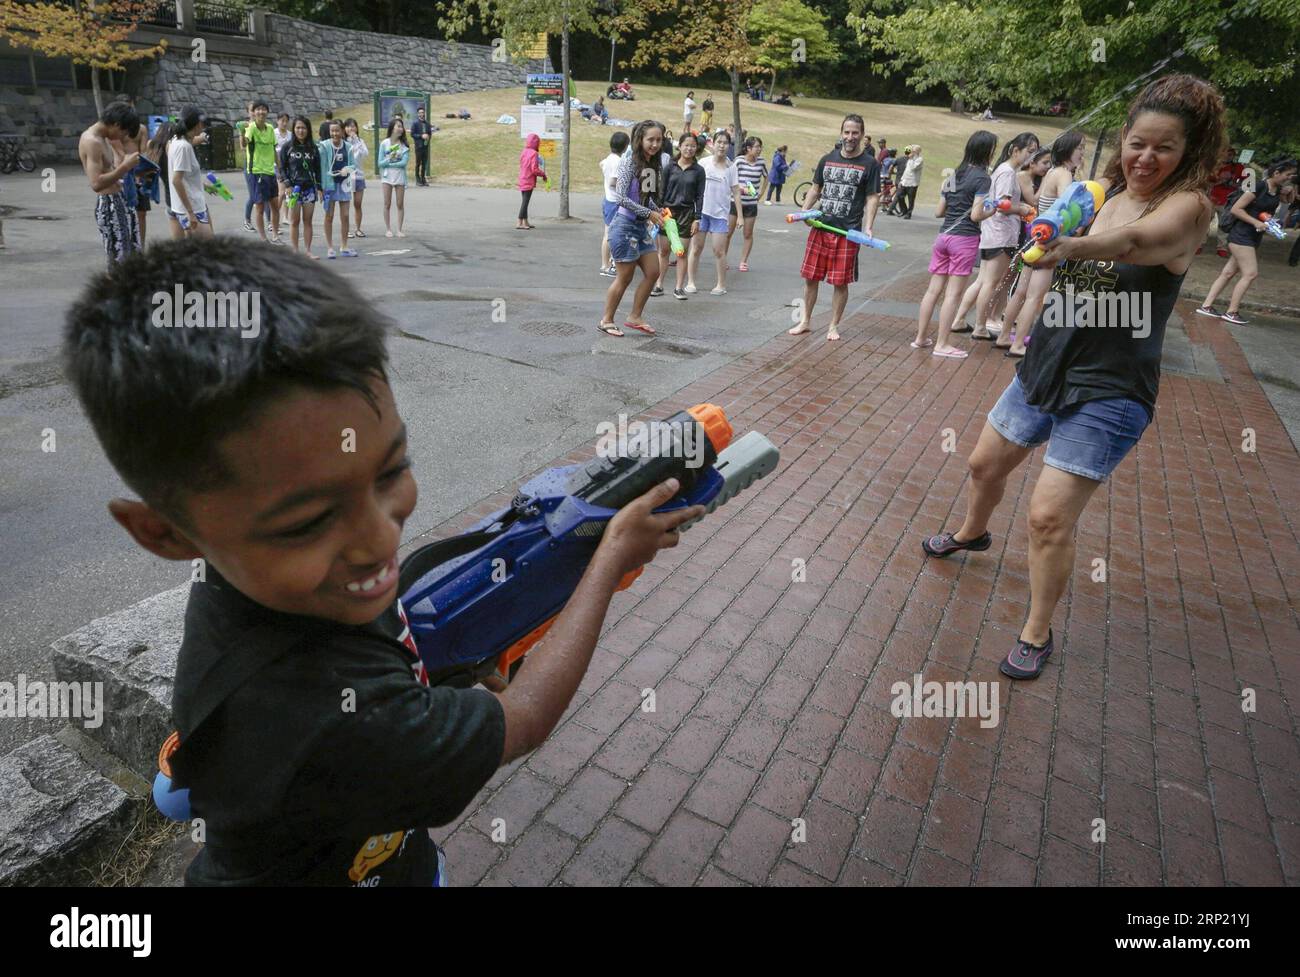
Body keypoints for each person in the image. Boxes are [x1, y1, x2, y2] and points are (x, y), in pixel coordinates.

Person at [64, 236, 701, 886]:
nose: (377, 540)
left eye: (391, 468)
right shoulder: (323, 722)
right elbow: (526, 719)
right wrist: (610, 558)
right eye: (310, 520)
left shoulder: (280, 584)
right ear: (167, 534)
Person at [922, 74, 1225, 679]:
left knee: (1047, 516)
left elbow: (1139, 242)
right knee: (983, 465)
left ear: (1188, 152)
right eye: (1139, 142)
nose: (1146, 157)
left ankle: (1037, 631)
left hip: (1111, 389)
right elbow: (1064, 224)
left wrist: (1066, 247)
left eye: (1164, 147)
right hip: (1046, 363)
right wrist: (1042, 225)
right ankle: (973, 533)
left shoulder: (1189, 208)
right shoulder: (1103, 189)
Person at [788, 114, 881, 342]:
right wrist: (804, 211)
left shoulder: (870, 164)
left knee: (840, 282)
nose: (850, 137)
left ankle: (833, 325)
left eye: (855, 133)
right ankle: (805, 321)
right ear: (841, 133)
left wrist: (868, 227)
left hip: (847, 232)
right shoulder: (827, 159)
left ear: (862, 134)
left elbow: (872, 198)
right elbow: (815, 188)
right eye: (847, 132)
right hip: (820, 227)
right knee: (811, 278)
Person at [996, 135, 1083, 356]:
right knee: (1034, 297)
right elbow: (1067, 209)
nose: (1083, 153)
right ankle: (1017, 345)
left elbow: (1036, 200)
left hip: (1033, 240)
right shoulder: (1064, 174)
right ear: (1069, 149)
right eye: (1080, 148)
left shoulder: (1052, 172)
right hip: (1048, 244)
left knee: (1021, 292)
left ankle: (1005, 336)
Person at [950, 131, 1039, 345]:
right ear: (1015, 150)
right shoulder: (1008, 173)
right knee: (990, 282)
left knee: (982, 281)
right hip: (1001, 234)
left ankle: (959, 319)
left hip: (992, 233)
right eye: (1029, 151)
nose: (1031, 157)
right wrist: (1023, 208)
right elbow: (1004, 206)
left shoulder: (1003, 169)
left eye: (1034, 153)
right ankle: (980, 326)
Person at [912, 131, 995, 355]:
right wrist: (993, 210)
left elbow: (939, 211)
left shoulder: (953, 175)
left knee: (933, 291)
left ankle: (920, 338)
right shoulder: (983, 178)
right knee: (953, 295)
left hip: (943, 237)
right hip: (964, 239)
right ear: (988, 151)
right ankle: (941, 344)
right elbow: (976, 215)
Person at [1197, 157, 1298, 324]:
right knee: (1250, 274)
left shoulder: (1277, 189)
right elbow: (1237, 209)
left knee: (1228, 273)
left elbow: (1289, 201)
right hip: (1241, 235)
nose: (1289, 178)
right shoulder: (1258, 186)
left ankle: (1206, 306)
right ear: (1276, 172)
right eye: (1287, 175)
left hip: (1252, 236)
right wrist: (1256, 222)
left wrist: (1290, 189)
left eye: (1292, 176)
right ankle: (1232, 311)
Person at [599, 120, 668, 336]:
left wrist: (659, 210)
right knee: (625, 277)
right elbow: (620, 197)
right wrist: (649, 213)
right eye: (651, 140)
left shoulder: (654, 165)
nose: (655, 144)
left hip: (640, 228)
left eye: (659, 140)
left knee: (653, 272)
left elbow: (646, 199)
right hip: (624, 226)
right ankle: (606, 320)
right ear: (640, 140)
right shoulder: (629, 162)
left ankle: (635, 316)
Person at [79, 101, 142, 268]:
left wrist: (132, 173)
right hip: (109, 204)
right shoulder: (92, 141)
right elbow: (96, 183)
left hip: (120, 199)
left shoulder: (104, 138)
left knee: (133, 255)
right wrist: (125, 166)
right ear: (116, 124)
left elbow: (111, 173)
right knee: (119, 260)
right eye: (124, 132)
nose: (123, 137)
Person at [699, 131, 743, 295]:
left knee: (719, 250)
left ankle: (721, 285)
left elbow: (736, 192)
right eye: (719, 142)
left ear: (728, 146)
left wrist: (739, 216)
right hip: (702, 212)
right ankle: (689, 282)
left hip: (720, 214)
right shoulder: (703, 163)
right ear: (713, 143)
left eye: (725, 143)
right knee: (696, 248)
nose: (722, 145)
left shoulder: (731, 167)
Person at [663, 132, 706, 299]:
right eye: (686, 145)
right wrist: (658, 211)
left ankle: (679, 287)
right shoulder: (669, 167)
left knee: (681, 252)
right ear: (679, 146)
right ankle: (659, 284)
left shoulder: (699, 171)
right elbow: (662, 190)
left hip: (687, 214)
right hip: (667, 213)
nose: (689, 149)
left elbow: (700, 196)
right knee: (664, 251)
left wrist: (697, 217)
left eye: (693, 146)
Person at [166, 107, 215, 240]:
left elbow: (185, 177)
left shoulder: (175, 140)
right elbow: (176, 180)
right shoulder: (183, 147)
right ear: (198, 124)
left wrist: (203, 185)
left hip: (183, 206)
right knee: (209, 250)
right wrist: (190, 212)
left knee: (193, 252)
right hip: (192, 208)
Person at [279, 115, 322, 258]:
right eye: (298, 127)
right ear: (294, 129)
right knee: (294, 221)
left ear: (308, 130)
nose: (300, 130)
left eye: (303, 128)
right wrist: (287, 184)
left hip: (309, 189)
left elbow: (318, 170)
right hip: (293, 189)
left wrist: (320, 188)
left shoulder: (313, 148)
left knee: (308, 221)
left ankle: (308, 251)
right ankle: (295, 252)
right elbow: (282, 168)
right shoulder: (287, 147)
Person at [242, 101, 283, 245]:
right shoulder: (251, 128)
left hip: (270, 172)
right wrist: (241, 132)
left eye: (263, 109)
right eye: (258, 109)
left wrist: (280, 169)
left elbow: (274, 150)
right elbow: (243, 144)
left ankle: (275, 236)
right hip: (256, 172)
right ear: (253, 112)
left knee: (275, 206)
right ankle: (263, 239)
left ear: (267, 112)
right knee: (259, 207)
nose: (261, 112)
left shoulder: (271, 128)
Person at [319, 119, 357, 258]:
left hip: (344, 185)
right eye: (332, 131)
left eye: (337, 130)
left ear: (342, 131)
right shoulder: (324, 146)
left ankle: (344, 246)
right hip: (329, 185)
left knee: (345, 216)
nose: (335, 133)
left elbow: (353, 165)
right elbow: (322, 167)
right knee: (329, 216)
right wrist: (321, 187)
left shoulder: (348, 147)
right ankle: (330, 247)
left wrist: (347, 169)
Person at [732, 136, 769, 272]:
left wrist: (761, 193)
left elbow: (767, 177)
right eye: (756, 147)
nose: (759, 150)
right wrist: (741, 189)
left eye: (760, 147)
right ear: (748, 148)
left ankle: (743, 261)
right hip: (735, 202)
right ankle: (723, 258)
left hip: (751, 204)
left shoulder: (761, 162)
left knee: (748, 234)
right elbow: (730, 178)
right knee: (728, 232)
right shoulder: (739, 161)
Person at [598, 130, 630, 277]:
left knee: (607, 234)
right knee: (614, 234)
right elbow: (613, 182)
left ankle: (605, 265)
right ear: (625, 146)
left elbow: (601, 164)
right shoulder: (618, 161)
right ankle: (610, 265)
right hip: (615, 201)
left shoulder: (608, 159)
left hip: (607, 200)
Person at [1207, 146, 1244, 256]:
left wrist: (1235, 184)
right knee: (1204, 223)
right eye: (1225, 154)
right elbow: (1206, 182)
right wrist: (1220, 179)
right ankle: (1198, 244)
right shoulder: (1214, 167)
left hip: (1228, 200)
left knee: (1224, 225)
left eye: (1230, 154)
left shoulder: (1239, 167)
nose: (1227, 156)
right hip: (1212, 198)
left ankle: (1222, 247)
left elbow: (1246, 184)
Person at [343, 118, 369, 239]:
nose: (350, 129)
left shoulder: (360, 141)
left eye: (353, 126)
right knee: (346, 204)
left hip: (358, 176)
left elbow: (365, 154)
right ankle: (346, 229)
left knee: (357, 203)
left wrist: (356, 141)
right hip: (347, 177)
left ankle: (358, 229)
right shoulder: (343, 142)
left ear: (357, 128)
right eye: (348, 126)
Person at [516, 132, 548, 230]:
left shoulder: (524, 151)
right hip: (529, 180)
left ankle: (525, 222)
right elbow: (534, 169)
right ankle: (519, 222)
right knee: (525, 202)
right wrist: (543, 174)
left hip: (522, 178)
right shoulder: (534, 153)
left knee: (524, 201)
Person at [895, 144, 923, 218]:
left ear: (916, 152)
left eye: (913, 151)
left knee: (911, 199)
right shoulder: (910, 159)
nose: (911, 152)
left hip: (912, 183)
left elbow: (913, 168)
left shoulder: (919, 160)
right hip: (905, 181)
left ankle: (909, 213)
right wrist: (901, 180)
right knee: (900, 196)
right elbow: (906, 171)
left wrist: (911, 159)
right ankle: (904, 210)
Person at [411, 107, 432, 187]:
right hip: (418, 146)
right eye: (420, 112)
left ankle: (423, 178)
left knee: (424, 163)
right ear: (418, 114)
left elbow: (430, 133)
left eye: (423, 112)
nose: (422, 114)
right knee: (418, 163)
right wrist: (421, 136)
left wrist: (428, 137)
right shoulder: (415, 123)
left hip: (425, 146)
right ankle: (417, 179)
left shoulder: (427, 124)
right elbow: (412, 134)